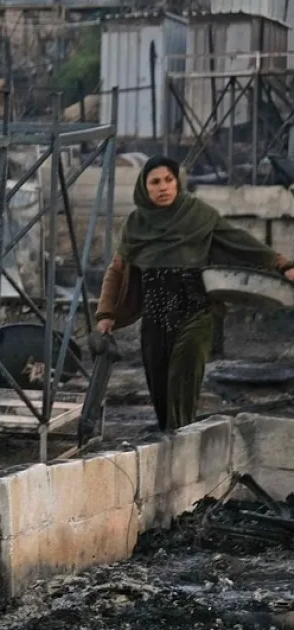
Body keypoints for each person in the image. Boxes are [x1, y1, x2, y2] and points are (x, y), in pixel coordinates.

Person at [96, 156, 293, 431]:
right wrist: (105, 314)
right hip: (154, 321)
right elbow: (117, 270)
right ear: (144, 188)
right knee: (161, 392)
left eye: (169, 180)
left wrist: (282, 264)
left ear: (178, 183)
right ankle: (171, 440)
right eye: (155, 182)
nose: (163, 187)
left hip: (195, 313)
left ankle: (181, 442)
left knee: (182, 381)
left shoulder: (198, 215)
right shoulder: (136, 225)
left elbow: (240, 242)